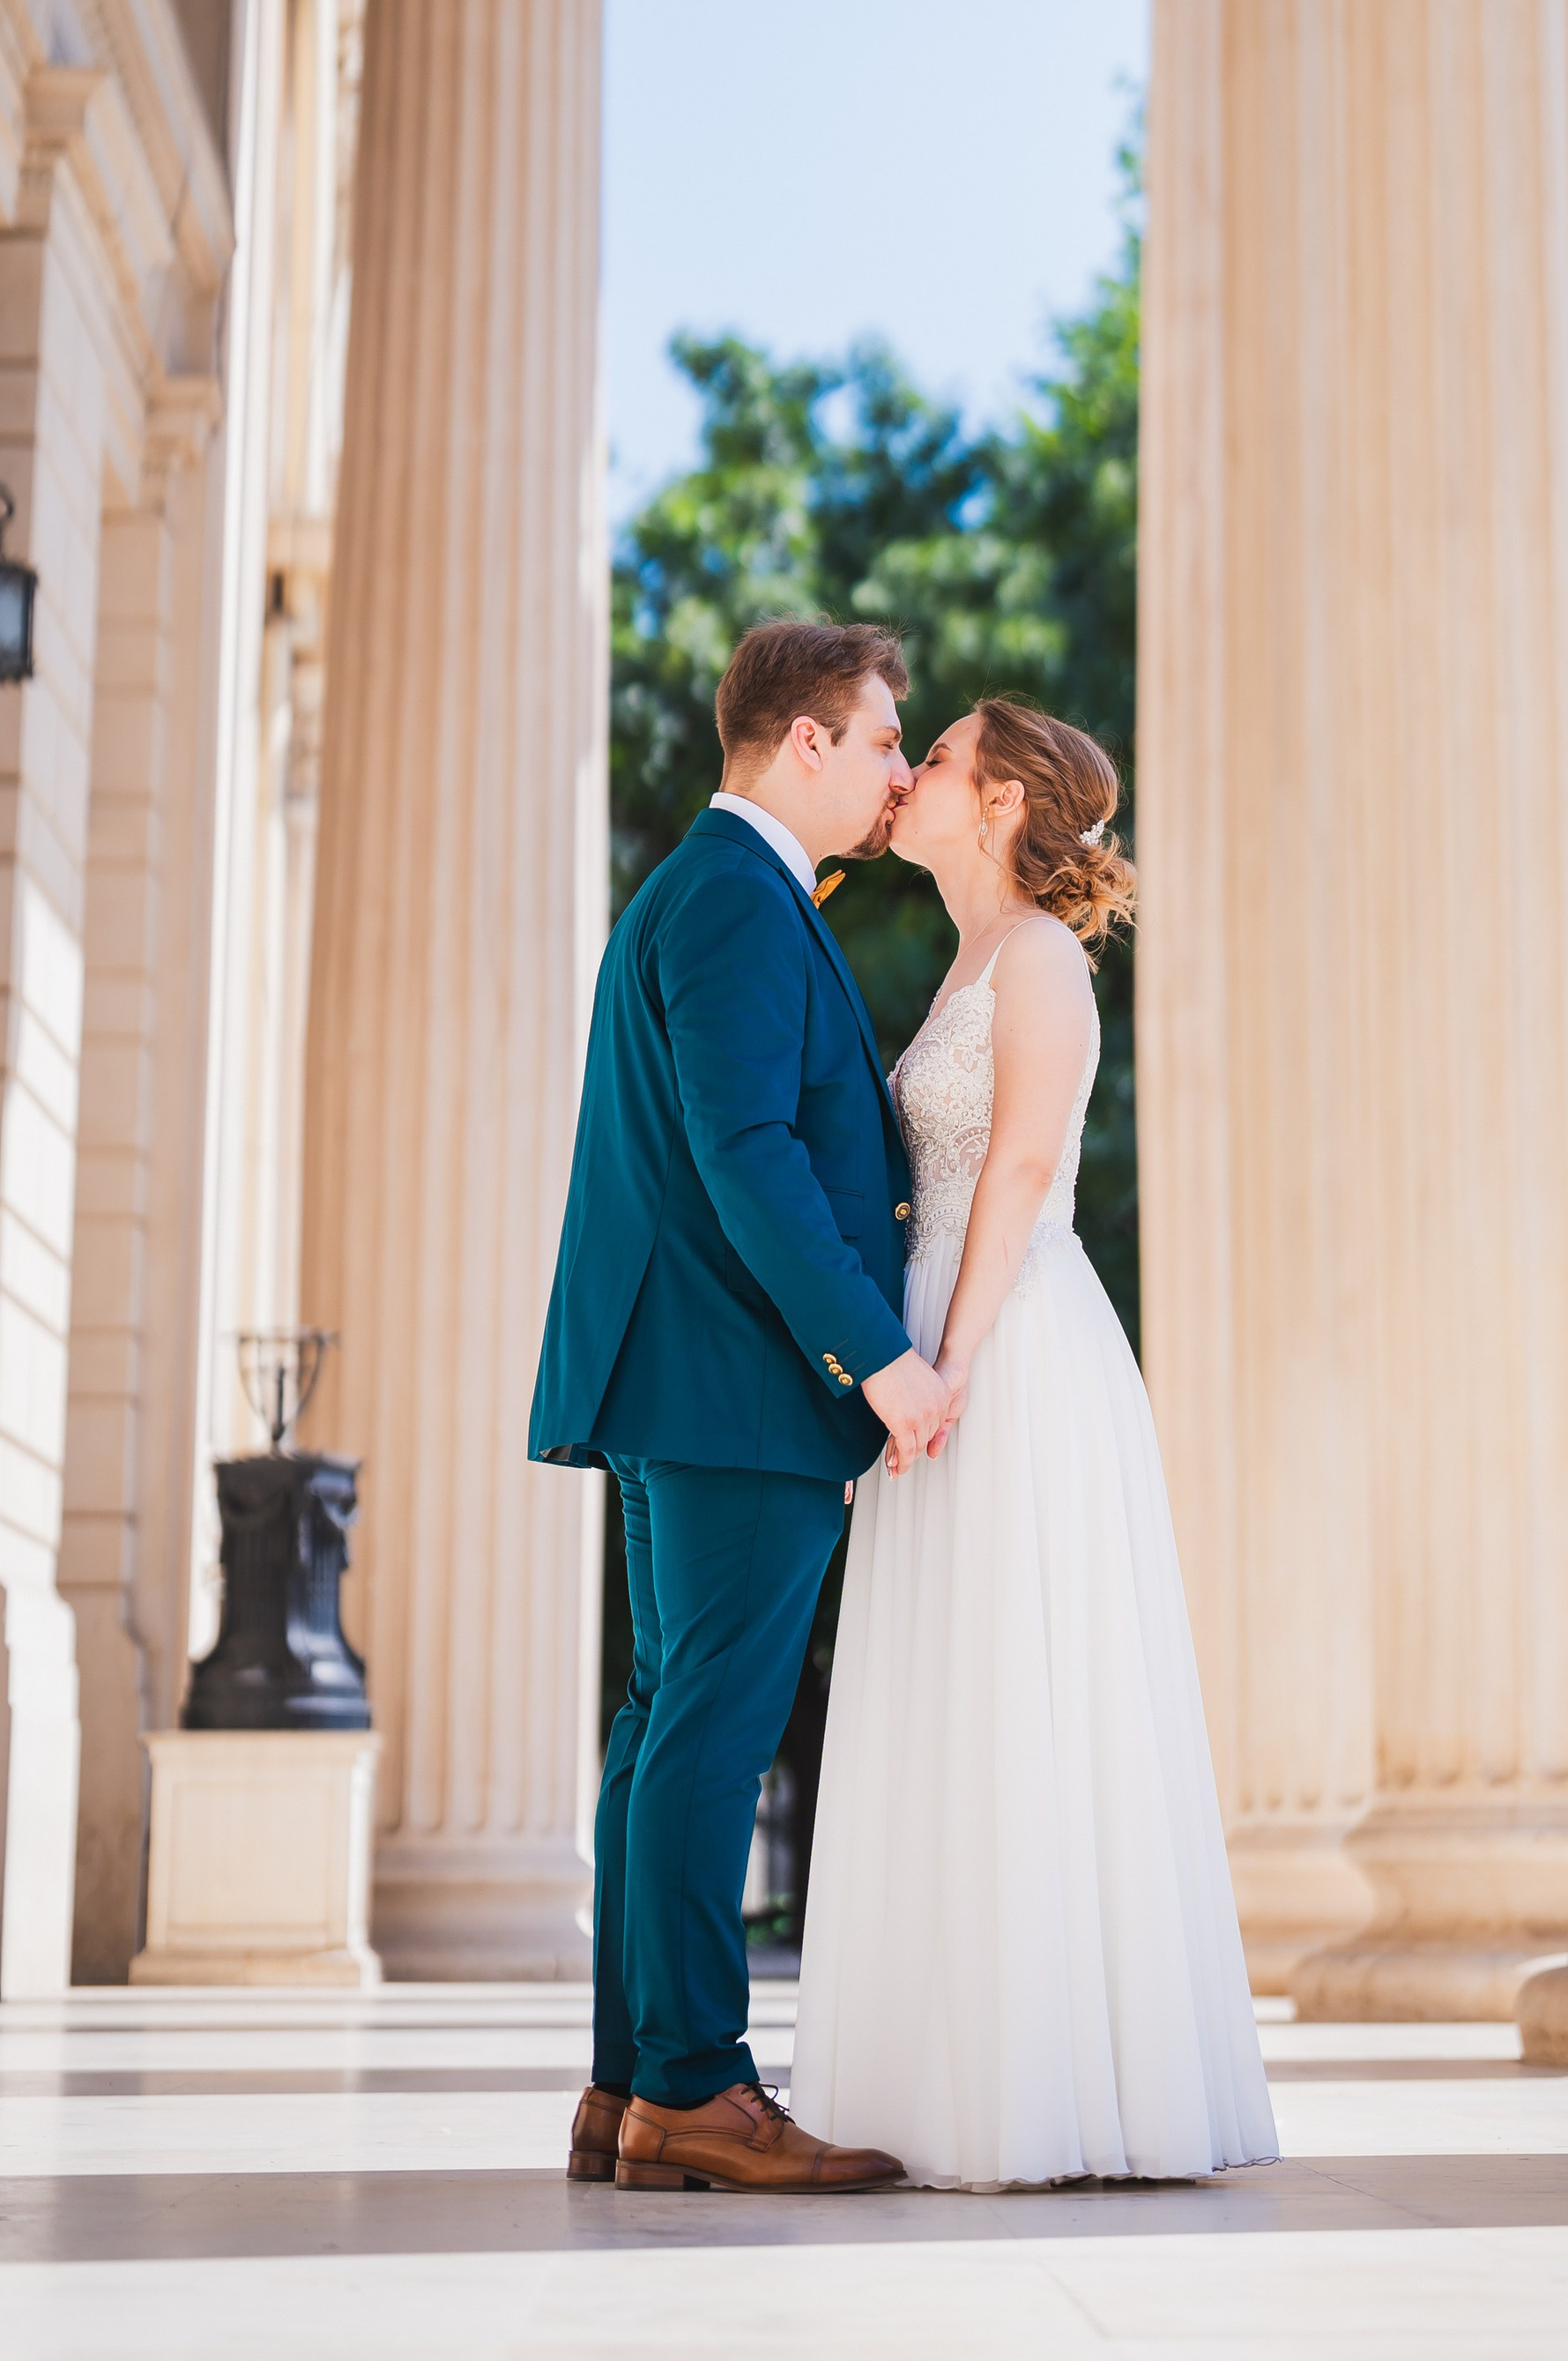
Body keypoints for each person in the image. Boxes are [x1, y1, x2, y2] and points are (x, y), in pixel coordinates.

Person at [790, 699, 1276, 2188]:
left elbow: (1018, 1163)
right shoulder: (966, 961)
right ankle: (949, 2070)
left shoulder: (1046, 960)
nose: (908, 773)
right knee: (948, 1682)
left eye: (932, 756)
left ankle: (1054, 2085)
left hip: (1007, 1339)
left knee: (1017, 1673)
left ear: (996, 799)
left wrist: (943, 1360)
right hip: (941, 1333)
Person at [529, 618, 949, 2195]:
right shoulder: (734, 898)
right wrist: (878, 1356)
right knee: (707, 1727)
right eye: (887, 738)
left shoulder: (714, 889)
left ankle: (632, 2083)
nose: (902, 771)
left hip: (686, 1374)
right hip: (735, 1382)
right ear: (807, 744)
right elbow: (750, 1153)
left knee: (661, 1726)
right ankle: (696, 2087)